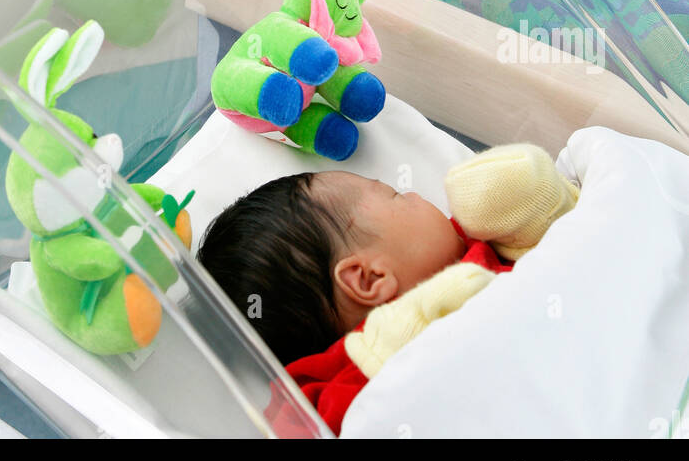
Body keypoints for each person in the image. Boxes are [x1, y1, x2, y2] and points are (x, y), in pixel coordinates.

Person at [198, 144, 579, 434]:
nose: (416, 195)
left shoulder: (478, 247)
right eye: (397, 196)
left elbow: (572, 250)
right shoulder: (346, 393)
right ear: (369, 279)